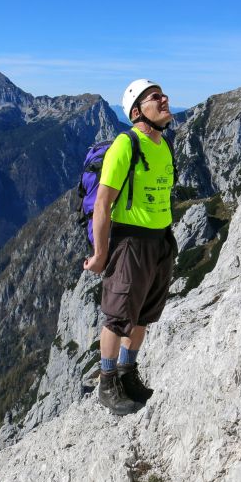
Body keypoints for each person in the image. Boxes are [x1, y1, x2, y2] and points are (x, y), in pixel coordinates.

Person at [83, 79, 176, 415]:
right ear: (138, 111)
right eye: (155, 97)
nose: (164, 99)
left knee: (143, 314)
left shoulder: (164, 145)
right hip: (131, 242)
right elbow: (103, 204)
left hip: (161, 239)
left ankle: (128, 372)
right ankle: (107, 383)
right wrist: (100, 253)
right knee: (117, 315)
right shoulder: (127, 144)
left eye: (163, 94)